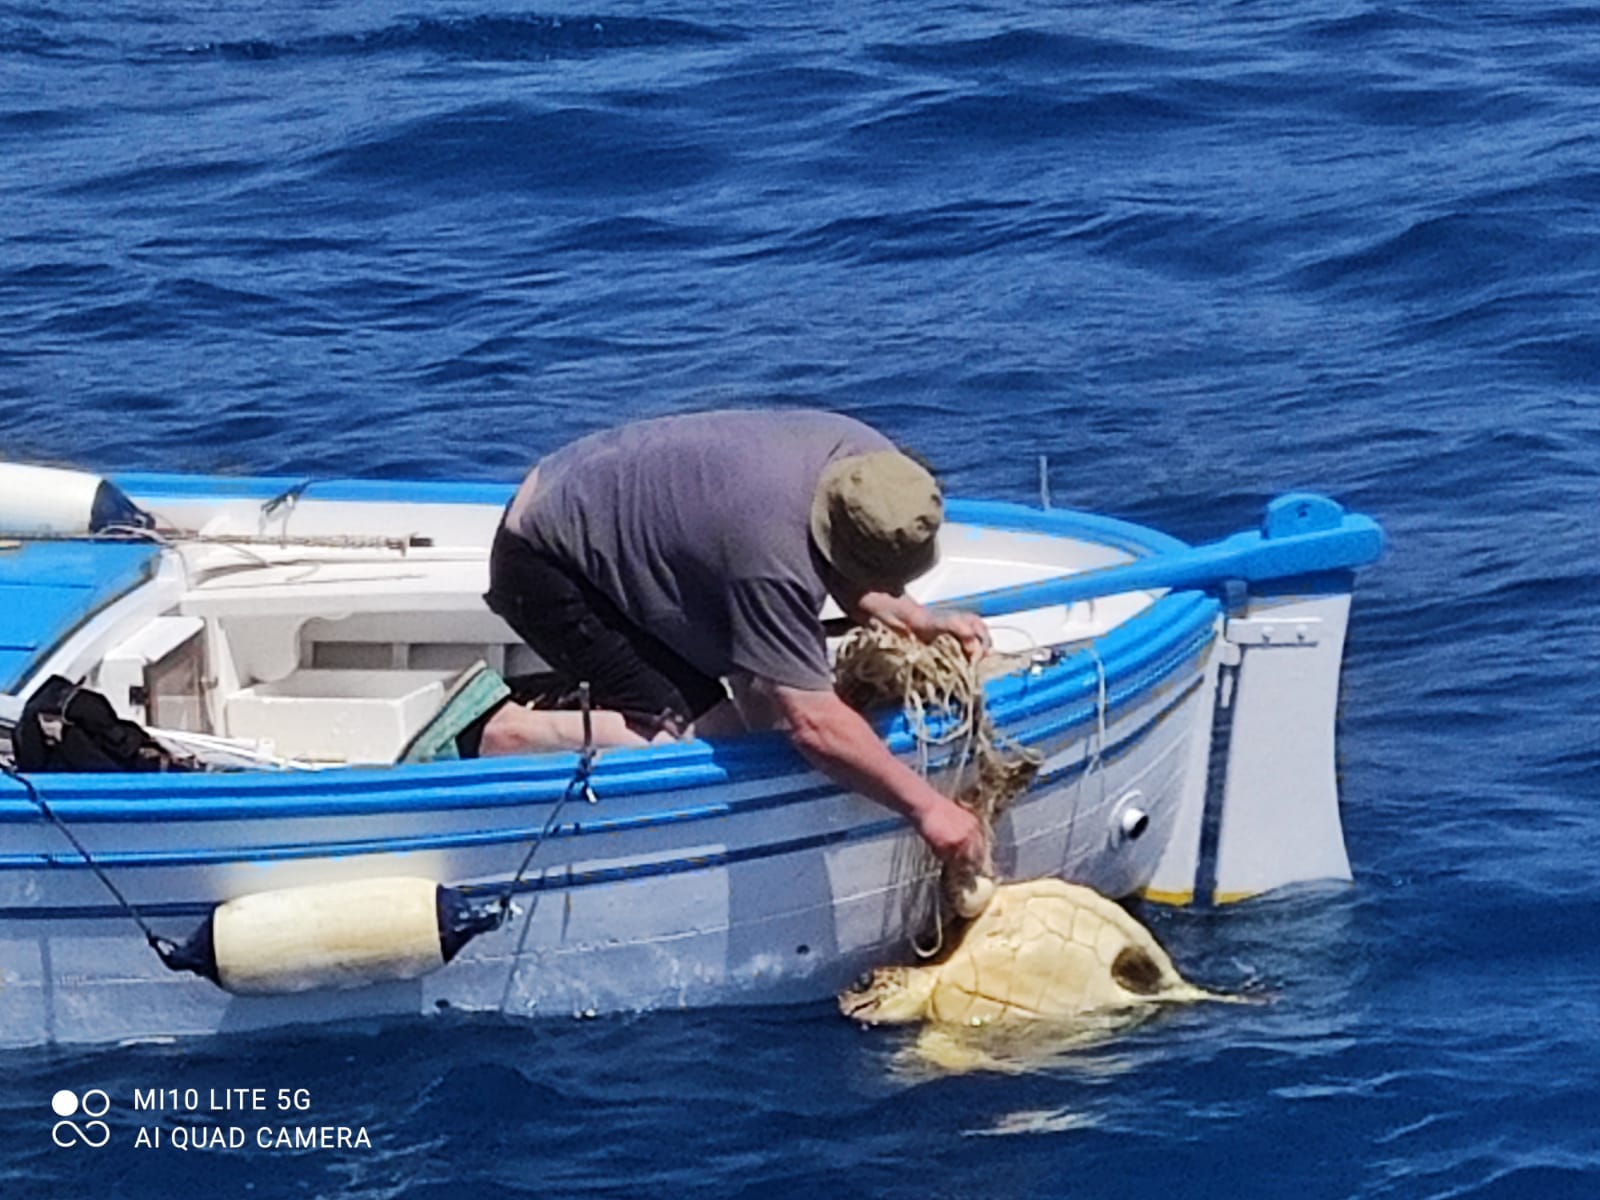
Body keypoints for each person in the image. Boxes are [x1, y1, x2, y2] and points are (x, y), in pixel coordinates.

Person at [475, 409, 990, 877]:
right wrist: (929, 809)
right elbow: (812, 724)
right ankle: (515, 730)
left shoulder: (866, 458)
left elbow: (846, 560)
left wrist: (917, 619)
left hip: (585, 495)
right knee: (718, 736)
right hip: (545, 564)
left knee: (761, 712)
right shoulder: (770, 559)